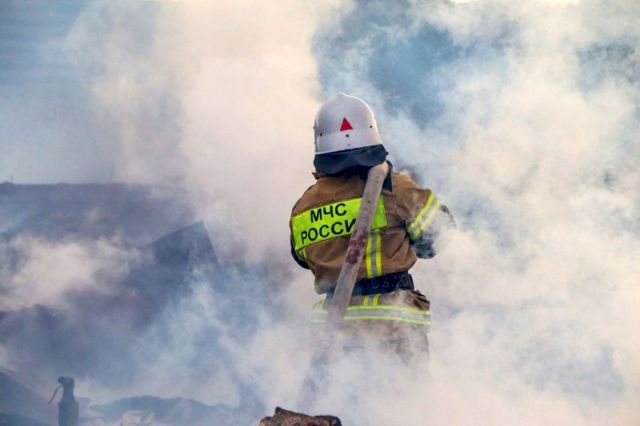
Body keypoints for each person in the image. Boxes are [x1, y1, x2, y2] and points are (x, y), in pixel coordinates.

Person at [289, 93, 455, 364]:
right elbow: (439, 235)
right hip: (394, 326)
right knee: (402, 393)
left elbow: (301, 258)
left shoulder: (304, 206)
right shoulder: (394, 188)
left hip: (333, 333)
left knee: (338, 392)